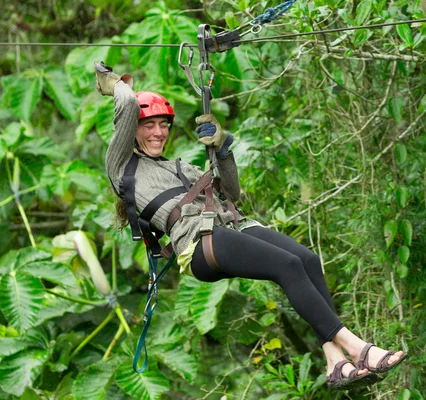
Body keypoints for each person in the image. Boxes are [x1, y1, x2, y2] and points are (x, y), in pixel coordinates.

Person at [94, 62, 408, 390]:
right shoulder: (122, 167)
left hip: (231, 226)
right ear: (132, 130)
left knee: (306, 261)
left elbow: (230, 193)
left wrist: (222, 147)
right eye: (149, 126)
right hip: (197, 244)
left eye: (163, 125)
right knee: (285, 265)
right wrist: (113, 83)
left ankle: (336, 362)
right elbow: (128, 104)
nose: (158, 132)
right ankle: (359, 349)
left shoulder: (179, 166)